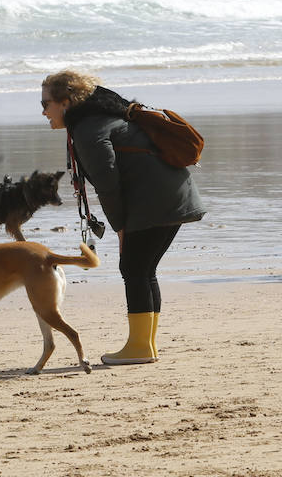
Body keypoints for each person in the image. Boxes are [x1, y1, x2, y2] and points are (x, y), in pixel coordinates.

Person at [40, 70, 205, 365]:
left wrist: (120, 228)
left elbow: (107, 183)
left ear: (65, 103)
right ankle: (146, 346)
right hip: (171, 197)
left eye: (46, 104)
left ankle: (140, 347)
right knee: (142, 269)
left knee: (134, 269)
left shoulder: (89, 128)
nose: (43, 112)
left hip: (157, 201)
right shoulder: (98, 116)